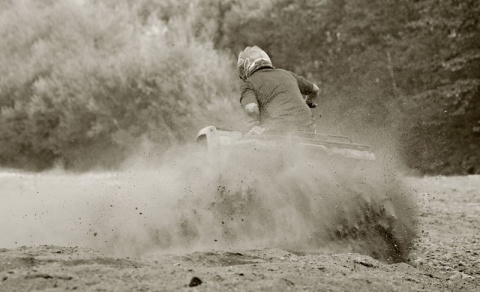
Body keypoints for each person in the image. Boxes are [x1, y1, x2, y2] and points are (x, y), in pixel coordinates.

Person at [237, 46, 320, 134]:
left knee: (247, 136)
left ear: (245, 68)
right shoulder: (287, 74)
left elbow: (251, 109)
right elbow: (315, 89)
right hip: (308, 127)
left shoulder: (249, 83)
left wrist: (260, 121)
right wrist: (306, 103)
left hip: (279, 129)